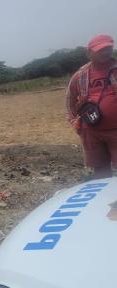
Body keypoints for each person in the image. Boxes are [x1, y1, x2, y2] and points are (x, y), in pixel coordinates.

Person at [66, 34, 117, 179]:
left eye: (108, 48)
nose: (105, 52)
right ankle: (103, 200)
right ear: (89, 53)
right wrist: (74, 122)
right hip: (91, 131)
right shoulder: (80, 75)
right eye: (100, 50)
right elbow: (69, 101)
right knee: (100, 170)